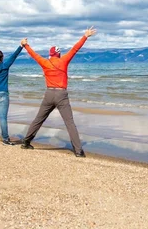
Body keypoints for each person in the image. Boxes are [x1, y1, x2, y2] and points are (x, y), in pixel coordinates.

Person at [20, 26, 97, 157]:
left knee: (39, 119)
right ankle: (78, 151)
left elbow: (34, 55)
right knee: (69, 122)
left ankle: (26, 142)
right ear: (59, 54)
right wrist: (85, 36)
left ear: (50, 54)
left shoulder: (44, 62)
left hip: (49, 94)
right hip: (61, 94)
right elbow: (75, 49)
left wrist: (25, 45)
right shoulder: (64, 60)